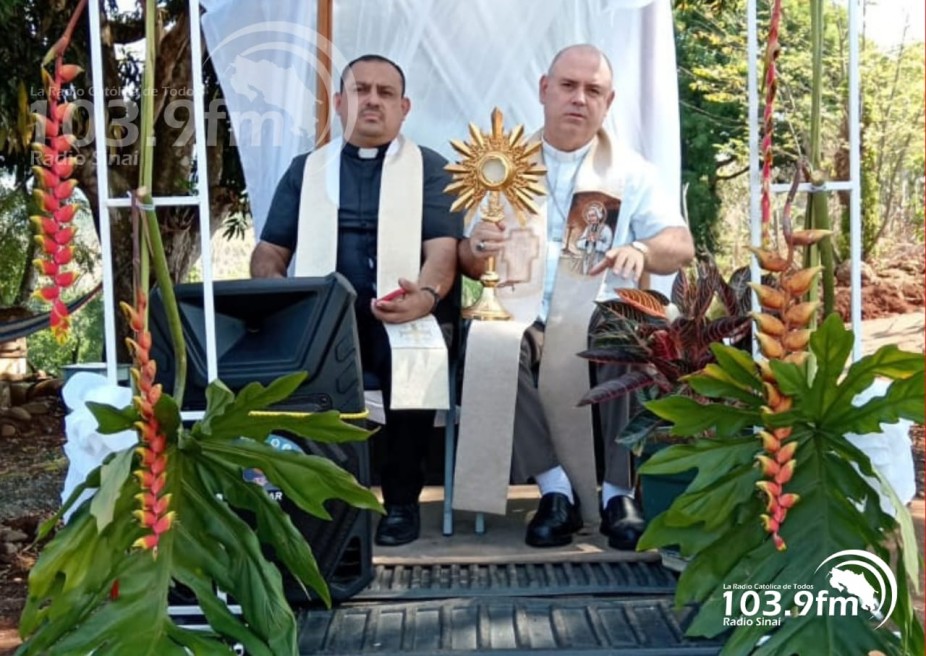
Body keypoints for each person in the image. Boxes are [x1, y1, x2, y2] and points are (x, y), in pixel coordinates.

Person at [457, 44, 694, 549]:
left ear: (609, 102)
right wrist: (476, 249)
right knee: (488, 345)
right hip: (521, 309)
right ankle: (554, 491)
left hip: (596, 308)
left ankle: (617, 495)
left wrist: (641, 249)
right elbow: (472, 260)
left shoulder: (631, 172)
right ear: (544, 89)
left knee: (630, 338)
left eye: (593, 90)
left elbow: (680, 245)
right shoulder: (501, 166)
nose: (579, 99)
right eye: (568, 86)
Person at [251, 54, 462, 547]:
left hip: (405, 312)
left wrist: (425, 297)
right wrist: (280, 296)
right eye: (361, 90)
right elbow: (269, 252)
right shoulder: (307, 171)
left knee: (410, 356)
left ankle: (401, 503)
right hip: (327, 316)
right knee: (303, 356)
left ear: (404, 108)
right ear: (339, 102)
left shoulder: (431, 169)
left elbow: (442, 251)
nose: (372, 100)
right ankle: (324, 502)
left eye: (385, 93)